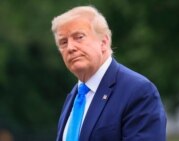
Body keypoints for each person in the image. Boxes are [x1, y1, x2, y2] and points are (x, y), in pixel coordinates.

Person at [51, 5, 167, 141]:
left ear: (104, 42)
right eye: (63, 42)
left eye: (79, 37)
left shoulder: (138, 91)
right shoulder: (75, 96)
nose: (70, 47)